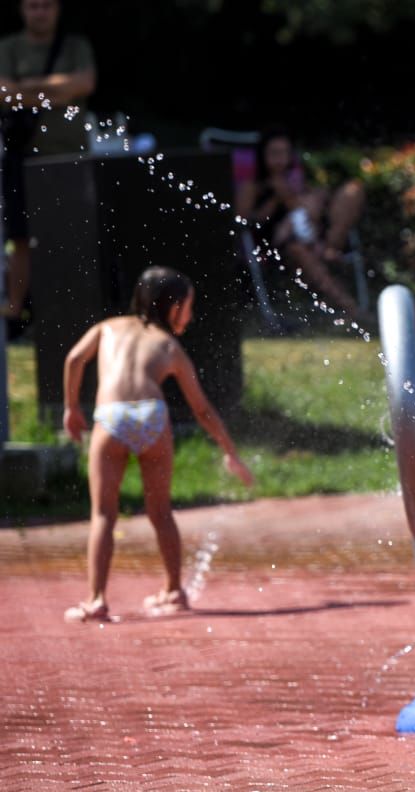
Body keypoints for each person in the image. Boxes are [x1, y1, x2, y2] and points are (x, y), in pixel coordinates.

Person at [60, 267, 254, 624]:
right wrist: (230, 451)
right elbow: (202, 408)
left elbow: (74, 359)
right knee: (161, 512)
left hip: (112, 416)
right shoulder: (168, 346)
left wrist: (72, 408)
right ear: (173, 306)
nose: (191, 316)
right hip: (152, 415)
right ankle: (173, 591)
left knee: (103, 513)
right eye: (188, 307)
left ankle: (96, 599)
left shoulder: (108, 328)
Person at [0, 0, 96, 321]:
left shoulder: (75, 46)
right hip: (22, 156)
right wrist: (57, 89)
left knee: (70, 232)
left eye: (46, 6)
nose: (39, 13)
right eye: (32, 6)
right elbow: (3, 92)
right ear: (22, 10)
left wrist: (25, 89)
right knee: (20, 236)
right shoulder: (9, 47)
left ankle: (68, 305)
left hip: (69, 154)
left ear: (57, 9)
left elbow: (83, 83)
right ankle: (15, 309)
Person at [232, 126, 368, 319]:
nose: (282, 159)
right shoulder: (253, 184)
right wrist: (276, 200)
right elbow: (244, 220)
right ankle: (349, 306)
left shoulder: (294, 177)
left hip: (309, 229)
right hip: (275, 243)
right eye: (275, 153)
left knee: (352, 191)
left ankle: (330, 245)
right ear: (262, 156)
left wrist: (300, 199)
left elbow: (308, 204)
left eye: (286, 153)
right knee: (297, 246)